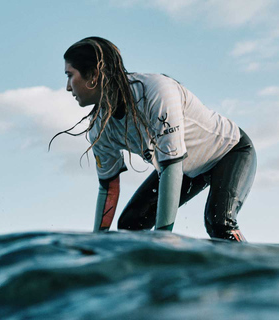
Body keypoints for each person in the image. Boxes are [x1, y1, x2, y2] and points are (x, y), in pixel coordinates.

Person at [52, 36, 257, 242]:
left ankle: (253, 271)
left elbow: (171, 166)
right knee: (130, 224)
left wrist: (163, 240)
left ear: (94, 75)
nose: (68, 87)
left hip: (229, 150)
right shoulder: (99, 128)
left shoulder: (156, 91)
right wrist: (95, 246)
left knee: (219, 223)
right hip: (183, 166)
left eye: (70, 75)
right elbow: (109, 187)